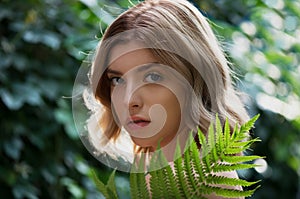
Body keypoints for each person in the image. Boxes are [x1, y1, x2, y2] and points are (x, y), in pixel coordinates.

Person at [82, 0, 248, 197]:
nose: (128, 100)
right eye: (117, 79)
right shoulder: (156, 169)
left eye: (153, 77)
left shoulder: (205, 179)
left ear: (194, 80)